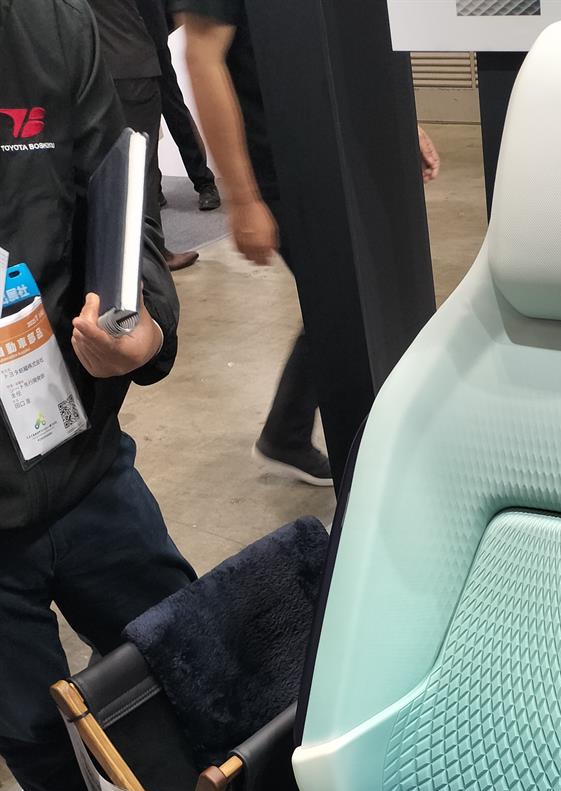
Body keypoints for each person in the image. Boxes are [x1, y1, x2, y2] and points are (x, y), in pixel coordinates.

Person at [0, 0, 194, 791]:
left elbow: (120, 207)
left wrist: (142, 328)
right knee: (36, 735)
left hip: (80, 459)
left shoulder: (49, 30)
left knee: (182, 654)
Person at [171, 0, 440, 488]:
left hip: (345, 151)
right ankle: (306, 440)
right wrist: (244, 198)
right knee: (341, 306)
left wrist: (401, 122)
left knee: (354, 300)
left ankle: (291, 433)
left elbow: (354, 40)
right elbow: (202, 58)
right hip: (287, 162)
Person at [88, 0, 199, 271]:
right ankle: (154, 254)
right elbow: (159, 16)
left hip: (96, 71)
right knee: (141, 164)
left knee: (106, 164)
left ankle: (120, 256)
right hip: (132, 64)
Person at [134, 0, 221, 212]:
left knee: (175, 112)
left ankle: (204, 182)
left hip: (154, 41)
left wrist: (161, 32)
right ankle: (153, 187)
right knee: (139, 121)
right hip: (125, 50)